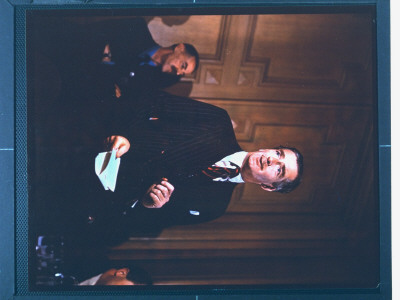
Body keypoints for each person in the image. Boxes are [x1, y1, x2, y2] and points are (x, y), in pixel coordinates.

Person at [32, 90, 303, 244]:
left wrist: (148, 205)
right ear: (268, 148)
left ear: (268, 186)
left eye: (279, 169)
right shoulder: (218, 122)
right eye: (277, 153)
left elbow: (147, 226)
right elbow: (152, 100)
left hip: (77, 200)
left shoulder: (214, 207)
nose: (271, 160)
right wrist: (124, 134)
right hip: (75, 148)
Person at [28, 16, 199, 102]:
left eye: (183, 72)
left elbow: (123, 95)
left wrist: (107, 56)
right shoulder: (136, 27)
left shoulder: (152, 80)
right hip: (66, 50)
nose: (178, 71)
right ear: (180, 48)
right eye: (183, 64)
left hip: (76, 86)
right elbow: (94, 34)